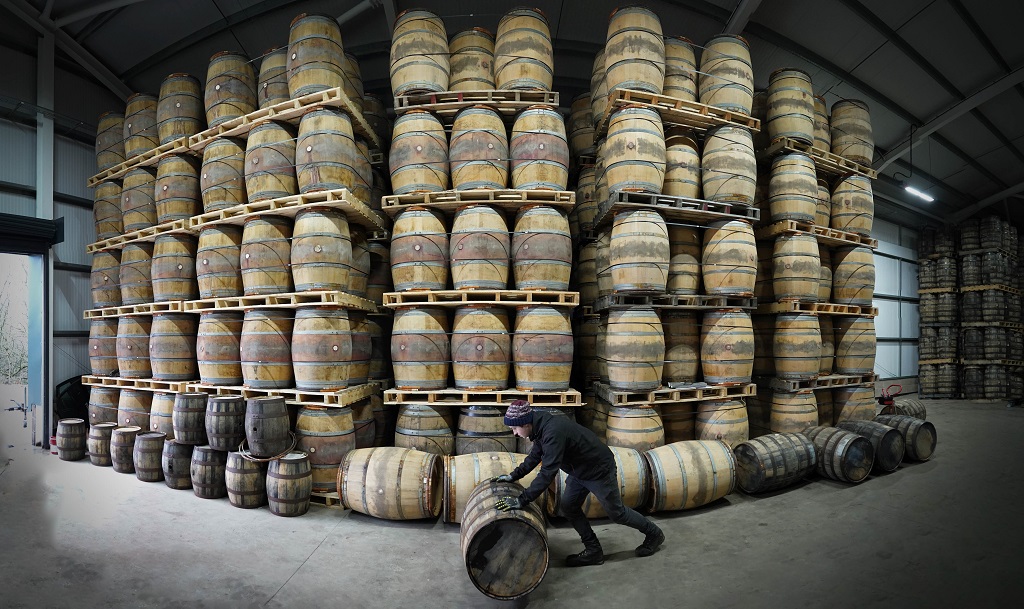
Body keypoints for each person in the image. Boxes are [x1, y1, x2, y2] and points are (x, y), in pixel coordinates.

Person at [492, 400, 665, 566]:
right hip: (579, 470)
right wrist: (513, 476)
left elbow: (547, 473)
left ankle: (654, 534)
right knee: (569, 506)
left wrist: (522, 500)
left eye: (515, 428)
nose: (514, 433)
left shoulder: (552, 431)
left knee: (617, 513)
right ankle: (593, 551)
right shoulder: (539, 427)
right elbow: (535, 456)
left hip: (598, 470)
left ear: (526, 423)